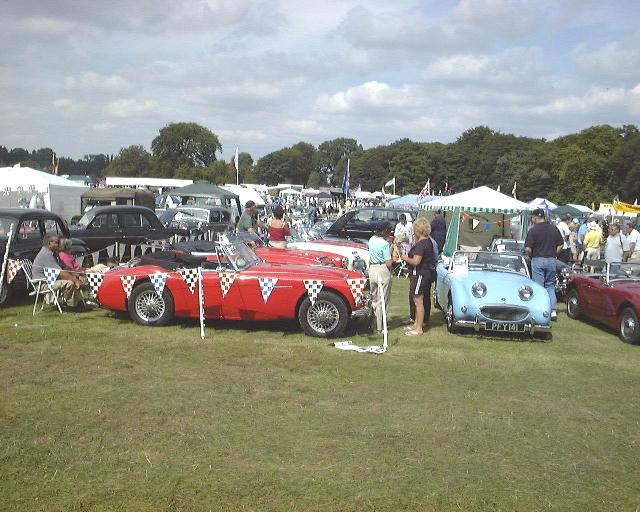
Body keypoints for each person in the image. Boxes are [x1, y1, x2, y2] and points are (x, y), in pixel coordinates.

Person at [397, 218, 435, 336]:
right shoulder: (427, 242)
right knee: (417, 299)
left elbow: (416, 261)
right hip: (423, 274)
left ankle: (419, 328)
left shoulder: (422, 244)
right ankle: (416, 324)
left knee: (418, 301)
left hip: (420, 274)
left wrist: (403, 257)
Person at [32, 234, 90, 310]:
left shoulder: (54, 253)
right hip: (43, 283)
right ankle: (72, 307)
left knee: (72, 280)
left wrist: (78, 275)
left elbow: (66, 267)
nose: (60, 244)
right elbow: (61, 273)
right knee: (69, 283)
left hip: (51, 280)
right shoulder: (46, 255)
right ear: (50, 243)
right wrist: (76, 280)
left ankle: (79, 304)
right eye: (57, 242)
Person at [525, 208, 564, 320]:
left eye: (532, 217)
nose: (532, 219)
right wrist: (553, 253)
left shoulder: (533, 230)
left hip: (537, 259)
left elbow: (528, 248)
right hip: (551, 259)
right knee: (550, 286)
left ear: (536, 217)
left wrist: (530, 255)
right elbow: (561, 245)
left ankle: (540, 309)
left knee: (539, 287)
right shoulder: (554, 228)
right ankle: (553, 311)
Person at [368, 221, 393, 333]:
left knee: (374, 298)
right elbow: (389, 262)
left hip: (372, 269)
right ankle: (381, 326)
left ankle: (372, 323)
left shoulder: (372, 239)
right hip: (382, 269)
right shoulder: (384, 244)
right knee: (383, 299)